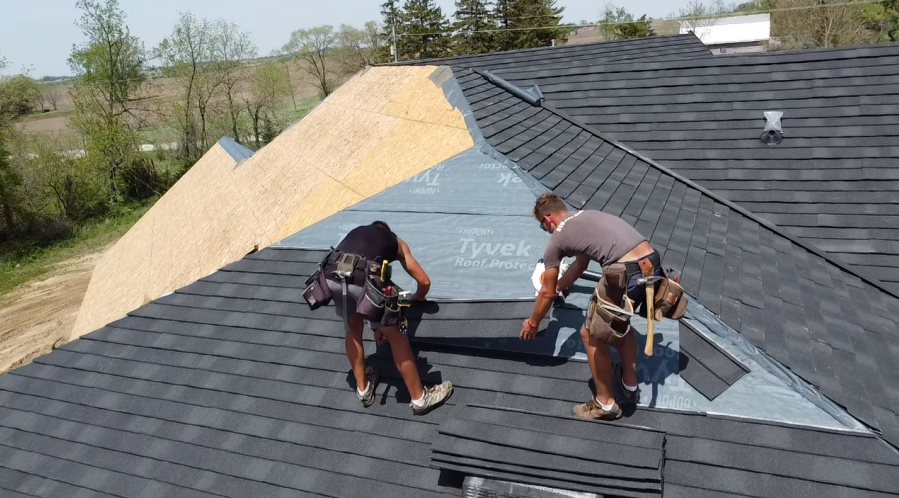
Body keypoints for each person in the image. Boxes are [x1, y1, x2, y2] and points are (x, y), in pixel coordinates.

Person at [520, 193, 664, 420]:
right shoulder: (585, 216)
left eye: (543, 227)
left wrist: (532, 323)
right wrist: (561, 286)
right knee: (622, 323)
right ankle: (630, 385)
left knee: (589, 334)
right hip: (652, 265)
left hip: (625, 271)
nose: (546, 231)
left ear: (548, 219)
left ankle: (605, 404)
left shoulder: (556, 239)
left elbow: (546, 293)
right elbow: (581, 263)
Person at [325, 221, 453, 415]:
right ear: (387, 230)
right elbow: (424, 281)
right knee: (396, 335)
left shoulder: (356, 232)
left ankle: (364, 389)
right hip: (361, 278)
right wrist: (418, 297)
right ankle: (420, 398)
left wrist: (376, 325)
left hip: (331, 274)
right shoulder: (396, 241)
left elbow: (359, 293)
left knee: (352, 328)